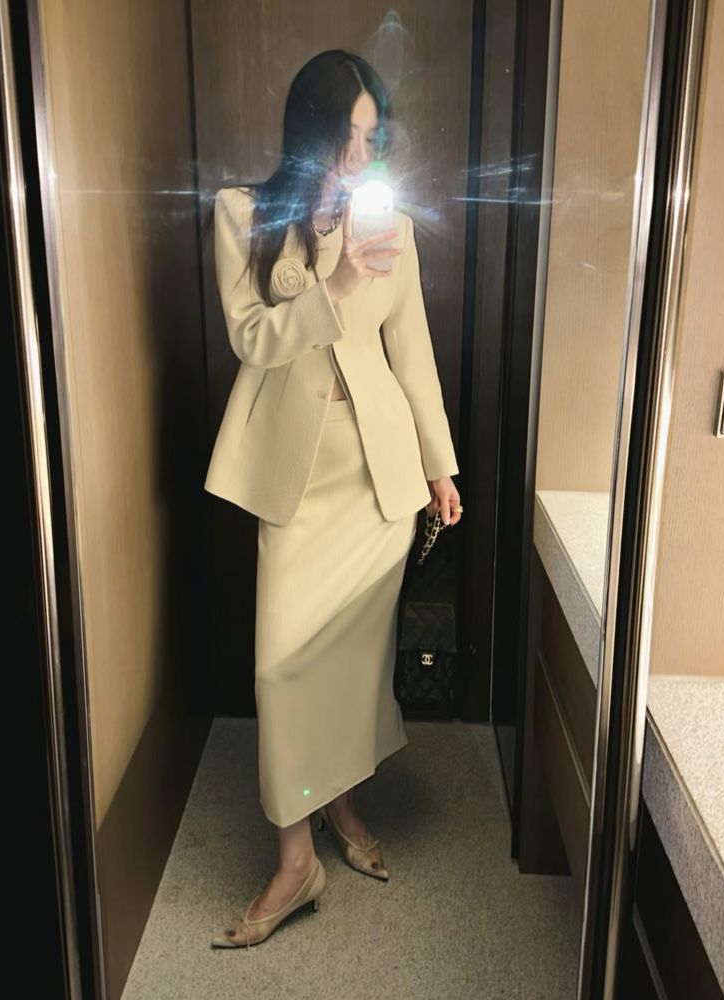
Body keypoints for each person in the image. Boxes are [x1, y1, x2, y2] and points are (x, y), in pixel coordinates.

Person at [206, 49, 463, 949]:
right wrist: (339, 278)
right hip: (296, 480)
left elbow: (412, 352)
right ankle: (296, 862)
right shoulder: (244, 214)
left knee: (355, 664)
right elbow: (252, 340)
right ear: (310, 129)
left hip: (377, 482)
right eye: (348, 134)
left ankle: (341, 806)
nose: (360, 153)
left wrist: (440, 467)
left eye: (371, 136)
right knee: (281, 666)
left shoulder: (391, 225)